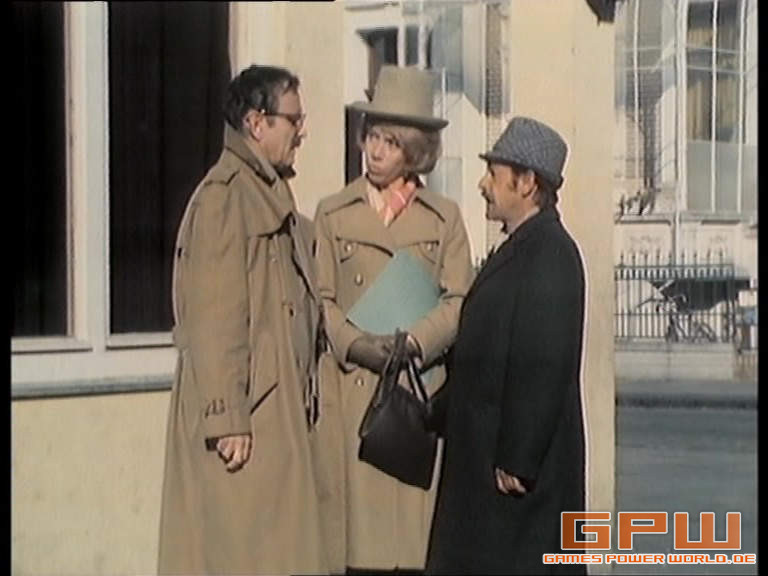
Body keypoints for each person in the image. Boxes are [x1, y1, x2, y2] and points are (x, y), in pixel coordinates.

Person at [157, 64, 327, 575]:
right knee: (244, 554)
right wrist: (227, 416)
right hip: (248, 418)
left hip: (274, 409)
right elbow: (213, 314)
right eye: (293, 119)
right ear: (256, 122)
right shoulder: (225, 196)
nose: (302, 132)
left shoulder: (264, 190)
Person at [311, 65, 474, 574]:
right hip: (356, 397)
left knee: (412, 549)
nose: (375, 151)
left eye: (390, 141)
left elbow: (459, 300)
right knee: (360, 552)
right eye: (371, 136)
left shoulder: (443, 218)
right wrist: (357, 345)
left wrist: (417, 342)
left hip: (413, 397)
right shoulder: (333, 213)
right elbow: (320, 300)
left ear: (415, 151)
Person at [426, 117, 587, 575]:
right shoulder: (521, 247)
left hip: (515, 477)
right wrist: (435, 411)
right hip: (486, 458)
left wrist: (519, 456)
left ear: (527, 183)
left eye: (494, 175)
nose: (483, 185)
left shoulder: (551, 254)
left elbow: (544, 363)